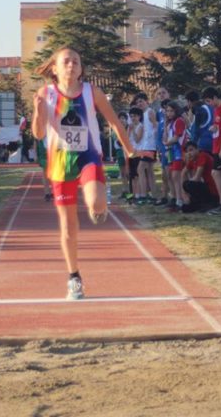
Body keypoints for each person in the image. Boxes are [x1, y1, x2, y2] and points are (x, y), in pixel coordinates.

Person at [32, 46, 135, 300]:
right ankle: (74, 277)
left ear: (81, 68)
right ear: (54, 68)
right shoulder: (45, 94)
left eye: (76, 61)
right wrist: (37, 111)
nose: (72, 65)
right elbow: (39, 134)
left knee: (97, 202)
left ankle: (98, 206)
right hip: (60, 162)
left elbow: (114, 122)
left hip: (88, 156)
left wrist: (130, 150)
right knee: (68, 226)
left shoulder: (92, 92)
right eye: (66, 61)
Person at [180, 141, 219, 213]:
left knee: (189, 184)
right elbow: (183, 173)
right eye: (187, 151)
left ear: (197, 149)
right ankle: (198, 203)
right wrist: (184, 194)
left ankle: (207, 203)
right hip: (204, 186)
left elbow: (197, 178)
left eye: (191, 150)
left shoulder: (202, 156)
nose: (189, 153)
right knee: (185, 208)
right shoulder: (193, 159)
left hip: (212, 189)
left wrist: (186, 187)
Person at [162, 100, 187, 211]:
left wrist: (167, 143)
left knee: (177, 176)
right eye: (167, 111)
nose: (169, 113)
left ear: (176, 111)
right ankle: (176, 198)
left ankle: (180, 200)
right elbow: (166, 136)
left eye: (171, 111)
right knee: (172, 176)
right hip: (172, 152)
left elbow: (177, 137)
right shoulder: (170, 123)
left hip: (179, 152)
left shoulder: (179, 121)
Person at [135, 93, 159, 204]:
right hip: (144, 146)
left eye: (141, 101)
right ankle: (153, 195)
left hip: (150, 146)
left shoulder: (150, 112)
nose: (139, 103)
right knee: (149, 171)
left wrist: (154, 141)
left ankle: (143, 195)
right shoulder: (141, 115)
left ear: (146, 101)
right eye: (137, 102)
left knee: (140, 169)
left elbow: (155, 126)